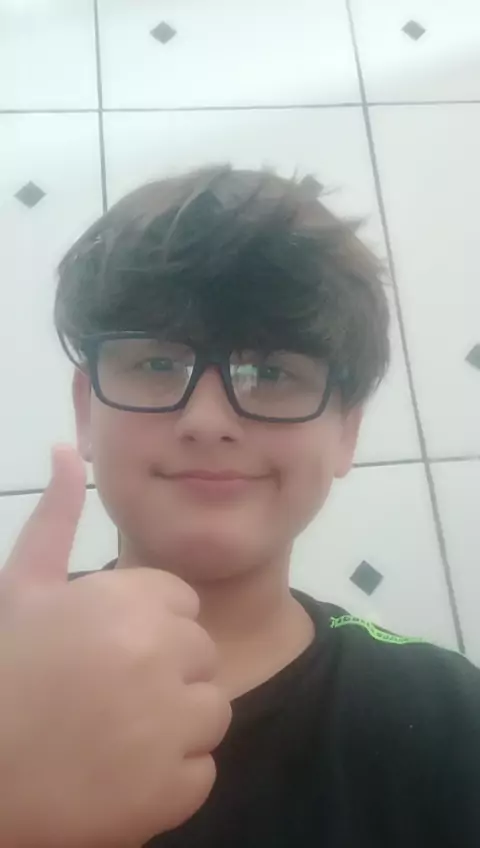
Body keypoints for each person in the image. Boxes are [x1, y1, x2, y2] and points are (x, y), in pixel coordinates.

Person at [1, 165, 479, 847]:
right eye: (158, 365)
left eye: (271, 372)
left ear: (346, 432)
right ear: (87, 410)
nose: (207, 420)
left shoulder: (448, 716)